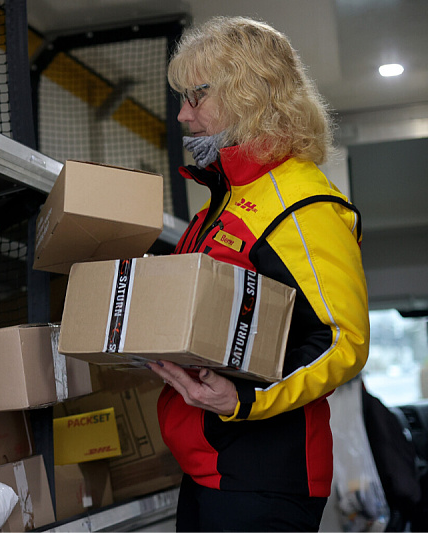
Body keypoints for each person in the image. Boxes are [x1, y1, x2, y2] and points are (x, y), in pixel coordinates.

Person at [145, 16, 370, 531]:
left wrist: (245, 399)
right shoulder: (224, 204)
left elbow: (343, 341)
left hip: (263, 478)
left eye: (196, 96)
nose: (182, 114)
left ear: (248, 93)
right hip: (210, 471)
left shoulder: (300, 205)